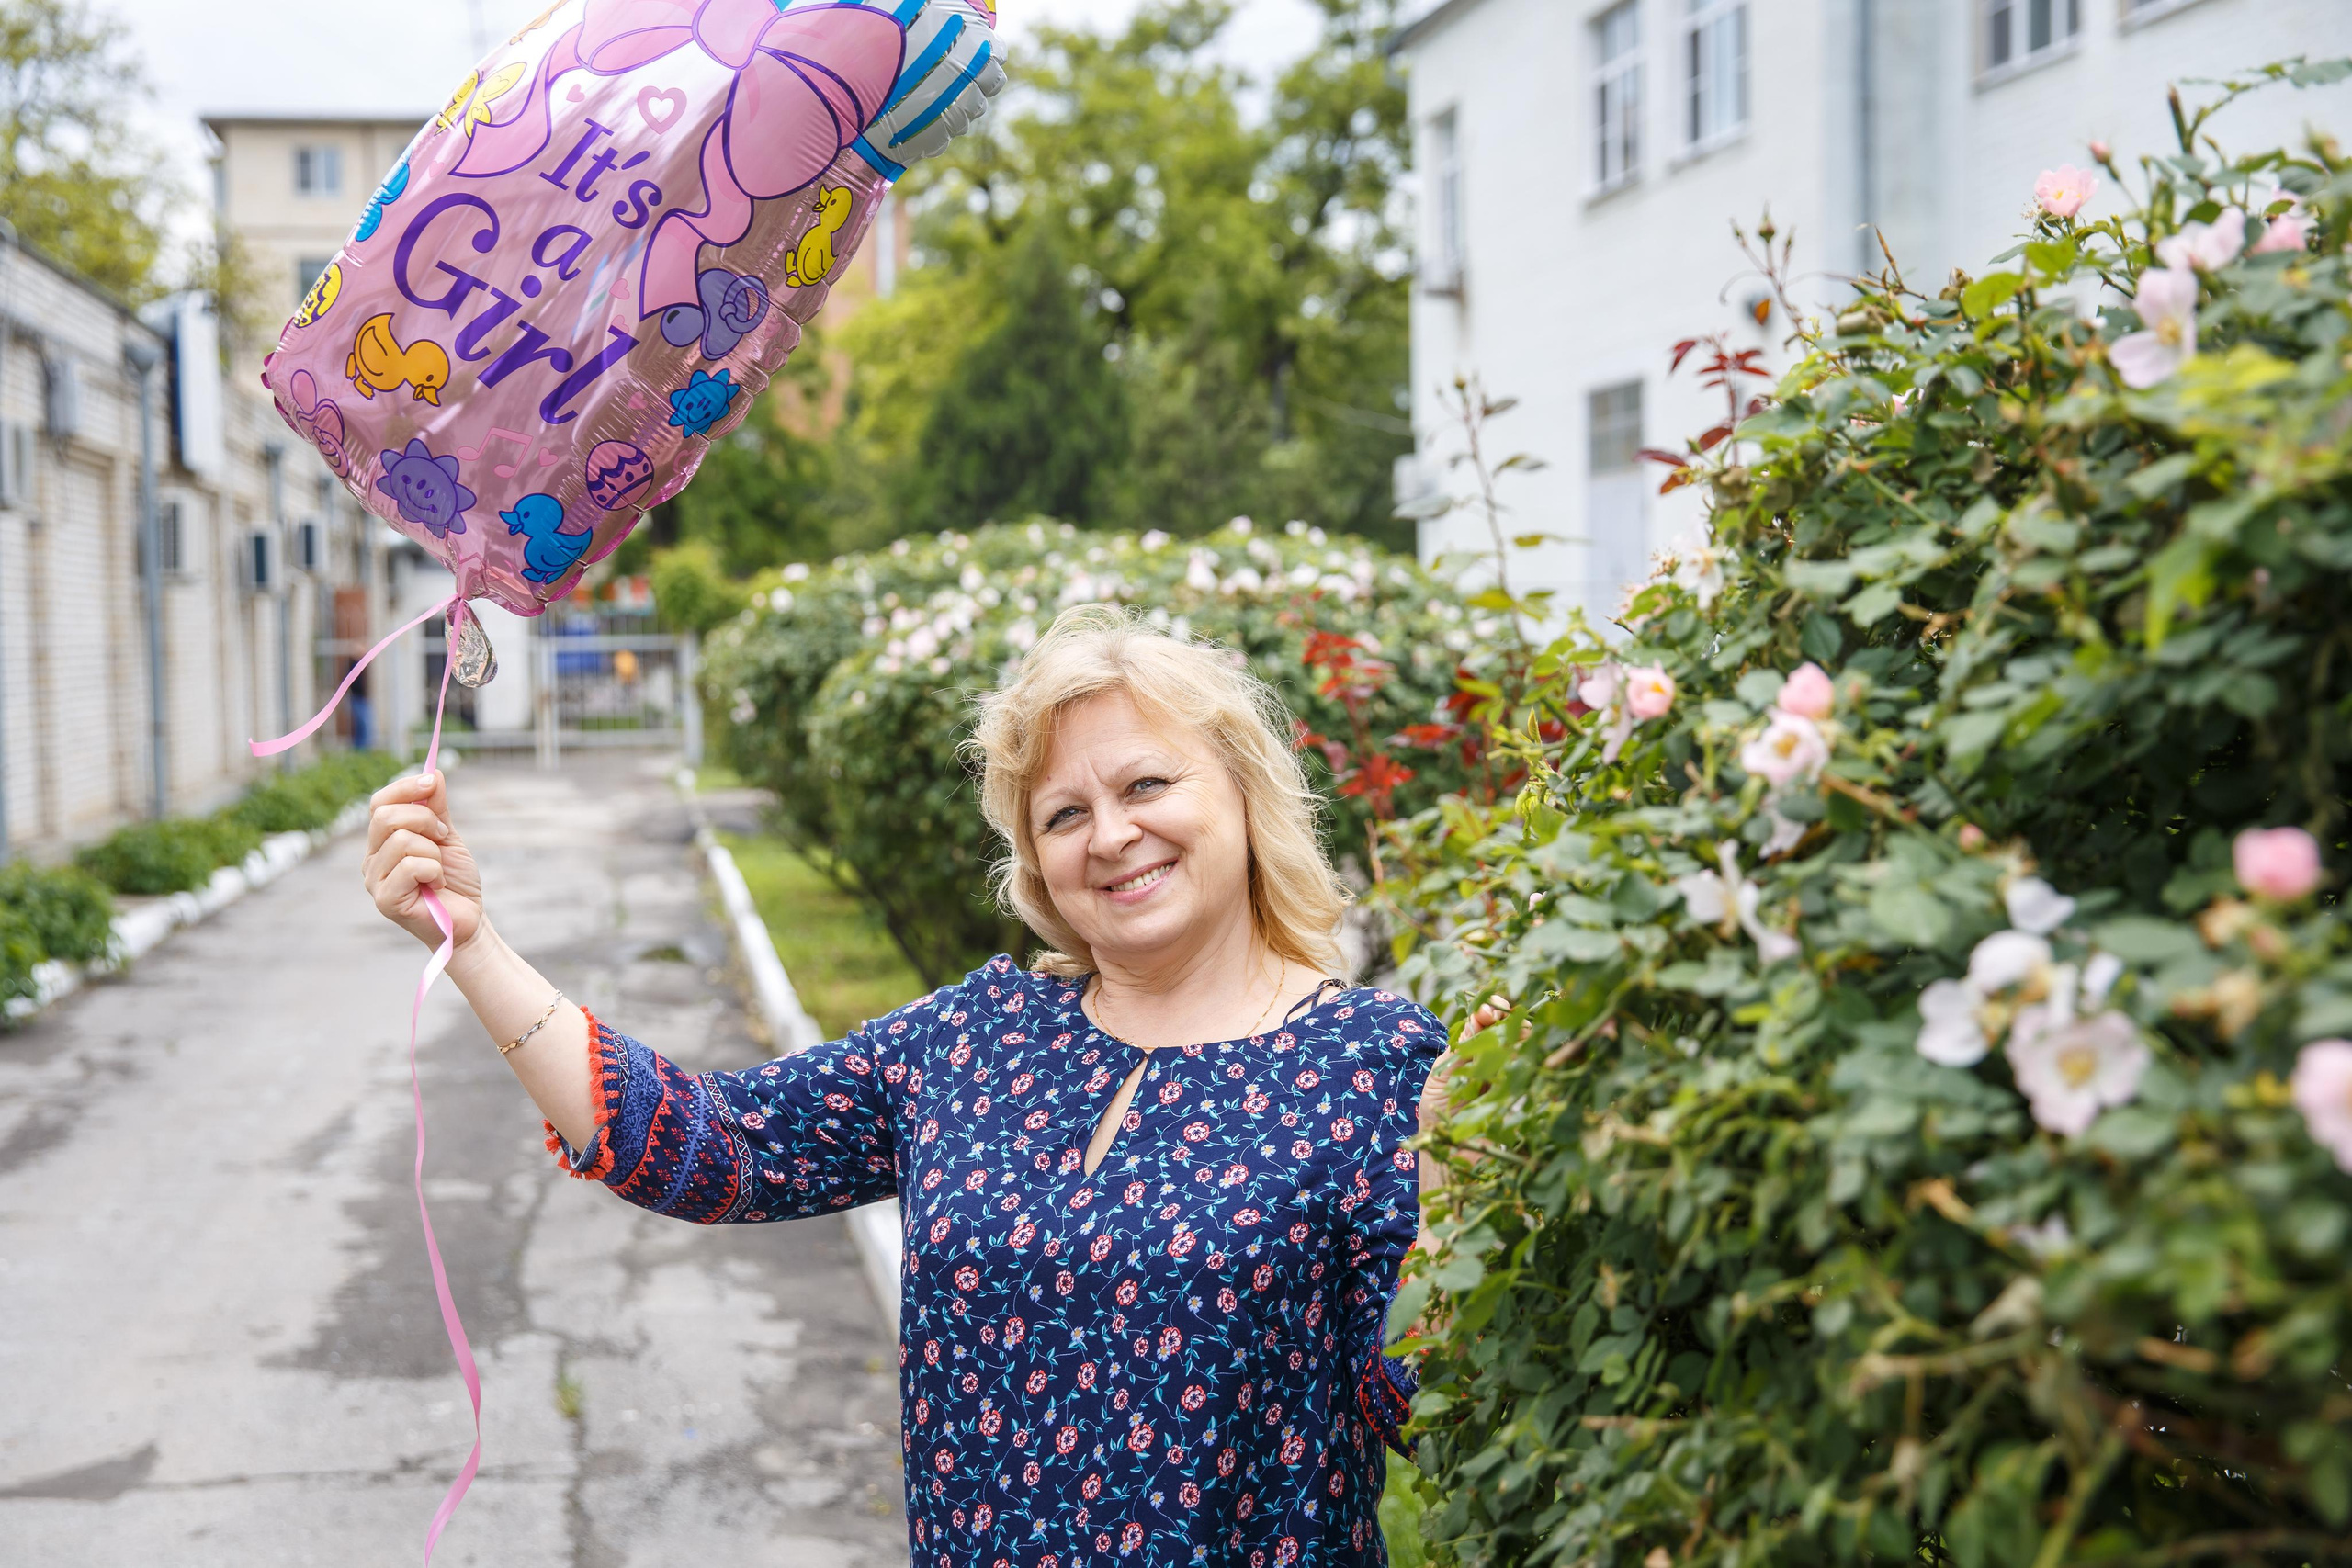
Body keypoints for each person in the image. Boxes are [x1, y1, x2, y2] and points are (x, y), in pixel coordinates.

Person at [362, 604, 1445, 1566]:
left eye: (1147, 784)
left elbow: (1427, 1407)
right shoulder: (974, 1041)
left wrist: (1451, 1192)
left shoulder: (1374, 1065)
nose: (1111, 836)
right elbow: (706, 1147)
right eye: (1063, 815)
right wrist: (467, 941)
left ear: (1245, 796)